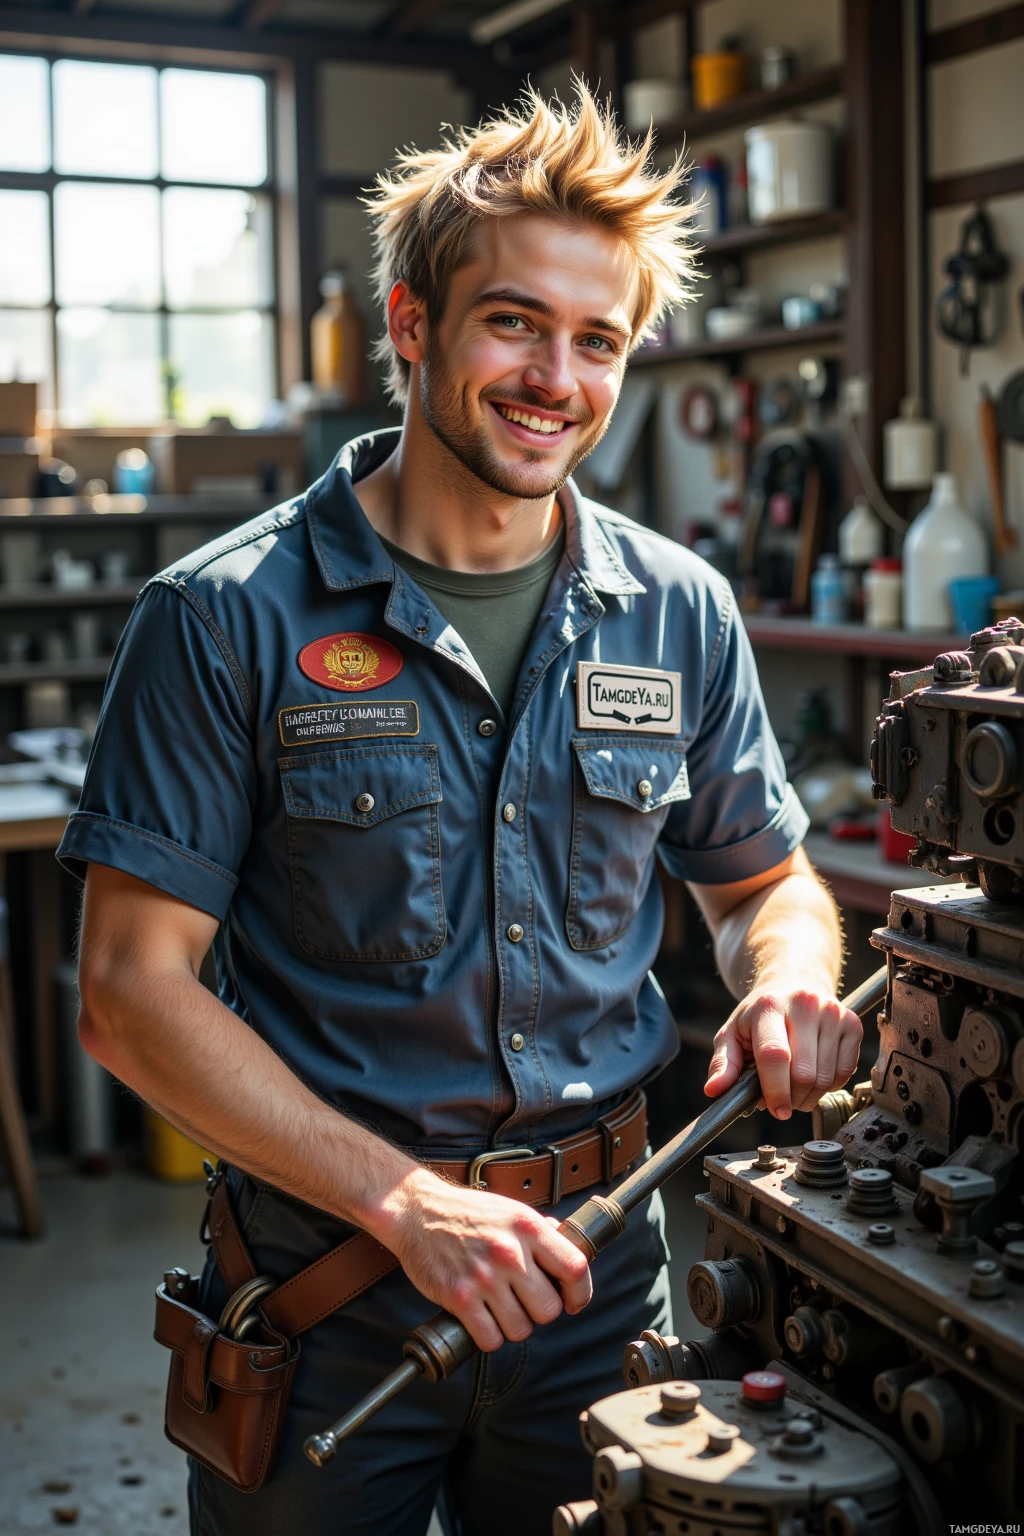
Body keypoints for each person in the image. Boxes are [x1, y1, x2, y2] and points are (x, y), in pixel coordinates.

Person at [64, 84, 861, 1536]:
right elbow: (128, 993)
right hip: (324, 1297)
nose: (556, 375)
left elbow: (764, 884)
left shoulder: (676, 612)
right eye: (513, 321)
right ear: (413, 322)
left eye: (597, 340)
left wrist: (790, 979)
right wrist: (406, 1207)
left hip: (595, 1279)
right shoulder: (225, 618)